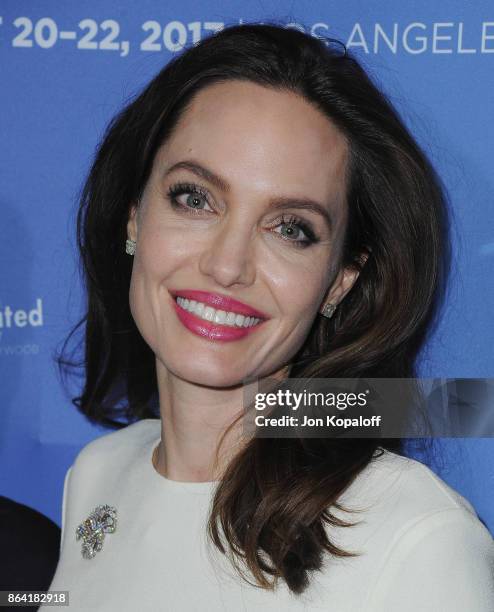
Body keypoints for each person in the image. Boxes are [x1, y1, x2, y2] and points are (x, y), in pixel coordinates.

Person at [44, 23, 494, 611]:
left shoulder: (415, 536)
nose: (227, 266)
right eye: (195, 198)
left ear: (340, 280)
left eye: (291, 229)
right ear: (133, 217)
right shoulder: (96, 476)